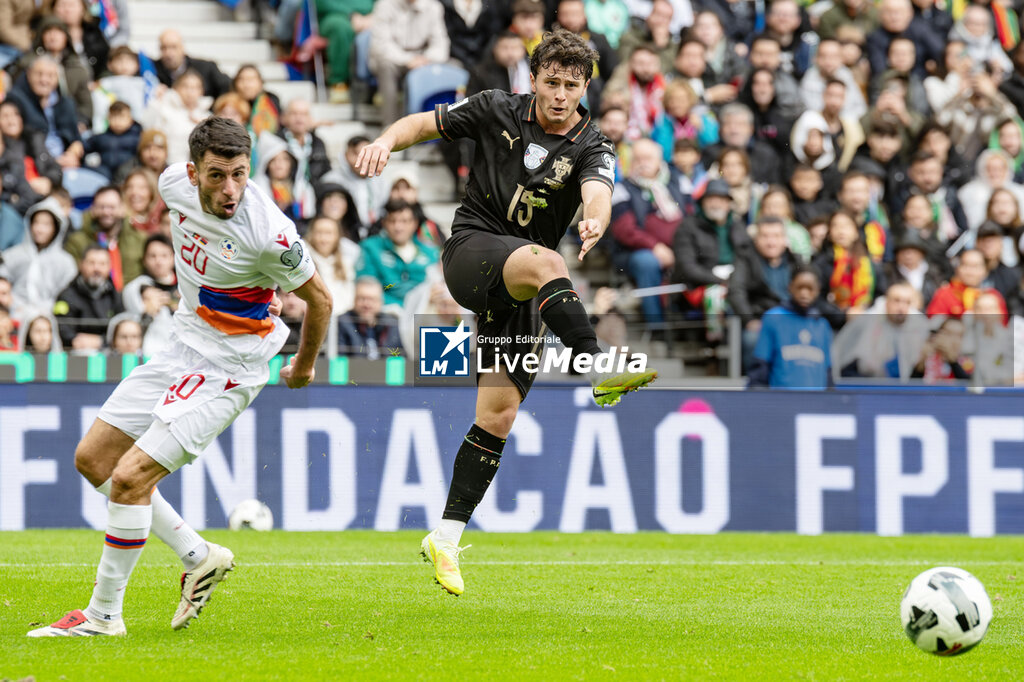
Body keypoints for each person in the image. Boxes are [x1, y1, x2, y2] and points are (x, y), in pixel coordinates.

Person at [355, 29, 656, 596]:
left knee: (497, 415)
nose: (560, 94)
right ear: (533, 78)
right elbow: (421, 124)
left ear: (585, 85)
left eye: (571, 85)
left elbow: (598, 190)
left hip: (523, 288)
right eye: (551, 82)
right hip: (473, 254)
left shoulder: (594, 146)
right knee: (546, 261)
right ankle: (596, 367)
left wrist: (595, 218)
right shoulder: (496, 107)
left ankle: (444, 537)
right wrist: (382, 142)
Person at [28, 117, 332, 637]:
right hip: (182, 343)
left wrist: (303, 366)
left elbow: (321, 300)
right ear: (192, 172)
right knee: (93, 459)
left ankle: (103, 617)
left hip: (231, 368)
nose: (230, 189)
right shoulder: (172, 184)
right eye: (217, 176)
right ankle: (199, 555)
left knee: (128, 478)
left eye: (240, 174)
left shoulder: (269, 234)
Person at [609, 137, 683, 323]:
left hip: (679, 247)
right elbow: (625, 231)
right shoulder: (621, 189)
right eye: (638, 159)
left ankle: (688, 324)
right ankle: (656, 326)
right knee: (647, 262)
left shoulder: (676, 184)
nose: (643, 163)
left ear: (659, 160)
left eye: (648, 158)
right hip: (636, 253)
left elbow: (691, 218)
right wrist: (656, 247)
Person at [728, 216, 798, 370]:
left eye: (776, 236)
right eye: (765, 236)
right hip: (760, 320)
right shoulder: (745, 258)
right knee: (753, 339)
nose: (771, 242)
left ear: (784, 239)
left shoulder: (796, 261)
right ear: (756, 239)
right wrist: (750, 320)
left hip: (794, 321)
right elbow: (735, 291)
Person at [748, 265, 834, 388]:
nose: (804, 293)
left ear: (818, 291)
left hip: (816, 404)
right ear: (790, 287)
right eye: (799, 287)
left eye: (810, 288)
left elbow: (828, 373)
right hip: (781, 403)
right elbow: (760, 368)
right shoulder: (773, 318)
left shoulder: (822, 325)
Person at [368, 0, 451, 127]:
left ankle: (439, 128)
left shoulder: (434, 7)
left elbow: (441, 44)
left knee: (455, 67)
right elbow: (381, 45)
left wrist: (426, 58)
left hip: (423, 59)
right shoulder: (384, 5)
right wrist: (407, 59)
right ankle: (390, 126)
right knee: (385, 66)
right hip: (394, 58)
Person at [831, 280, 929, 379]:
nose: (901, 307)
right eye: (896, 300)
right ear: (886, 302)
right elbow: (844, 357)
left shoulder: (918, 326)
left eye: (907, 302)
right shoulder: (867, 322)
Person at [355, 198, 440, 306]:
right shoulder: (371, 248)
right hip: (385, 311)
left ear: (414, 223)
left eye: (404, 221)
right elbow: (366, 287)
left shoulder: (430, 252)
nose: (398, 227)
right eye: (392, 221)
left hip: (422, 312)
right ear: (384, 223)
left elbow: (436, 288)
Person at [53, 245, 125, 351]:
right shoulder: (66, 296)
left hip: (110, 355)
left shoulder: (116, 296)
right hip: (73, 355)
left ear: (109, 267)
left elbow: (123, 328)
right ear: (81, 265)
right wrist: (74, 340)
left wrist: (102, 341)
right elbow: (60, 326)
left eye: (102, 264)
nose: (97, 269)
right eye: (91, 263)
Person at [926, 248, 1008, 319]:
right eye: (966, 265)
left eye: (975, 266)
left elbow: (1001, 325)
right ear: (957, 269)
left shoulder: (993, 297)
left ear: (985, 271)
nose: (970, 272)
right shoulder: (944, 294)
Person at [153, 29, 231, 99]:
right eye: (164, 48)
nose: (169, 53)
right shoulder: (153, 70)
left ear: (182, 48)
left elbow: (227, 86)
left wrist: (214, 109)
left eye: (174, 47)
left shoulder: (206, 68)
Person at [336, 276, 403, 357]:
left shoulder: (392, 325)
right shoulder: (342, 323)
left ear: (380, 302)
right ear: (354, 300)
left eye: (372, 299)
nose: (367, 304)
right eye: (362, 298)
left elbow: (400, 358)